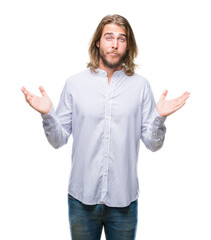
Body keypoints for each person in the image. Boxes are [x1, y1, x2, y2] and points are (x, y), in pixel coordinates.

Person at [21, 14, 190, 240]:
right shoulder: (75, 84)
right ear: (98, 42)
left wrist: (160, 117)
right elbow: (58, 140)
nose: (114, 44)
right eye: (109, 37)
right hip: (82, 199)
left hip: (124, 202)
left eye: (121, 39)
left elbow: (153, 144)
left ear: (128, 45)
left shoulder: (141, 86)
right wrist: (47, 115)